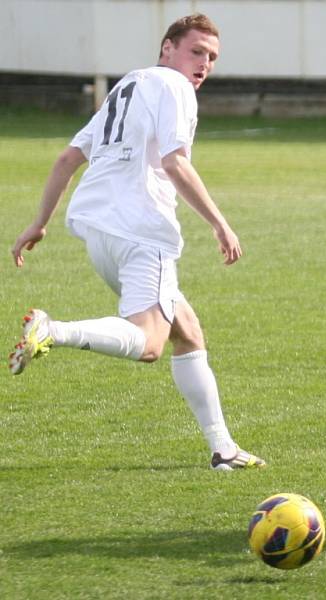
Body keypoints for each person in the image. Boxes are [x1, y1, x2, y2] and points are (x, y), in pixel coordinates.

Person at [8, 14, 265, 471]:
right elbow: (174, 163)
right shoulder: (176, 88)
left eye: (211, 58)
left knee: (187, 332)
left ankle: (223, 449)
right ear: (167, 48)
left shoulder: (127, 86)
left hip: (99, 234)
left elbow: (68, 157)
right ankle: (54, 330)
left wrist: (39, 223)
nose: (204, 64)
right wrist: (220, 224)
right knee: (149, 344)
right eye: (196, 51)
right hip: (144, 231)